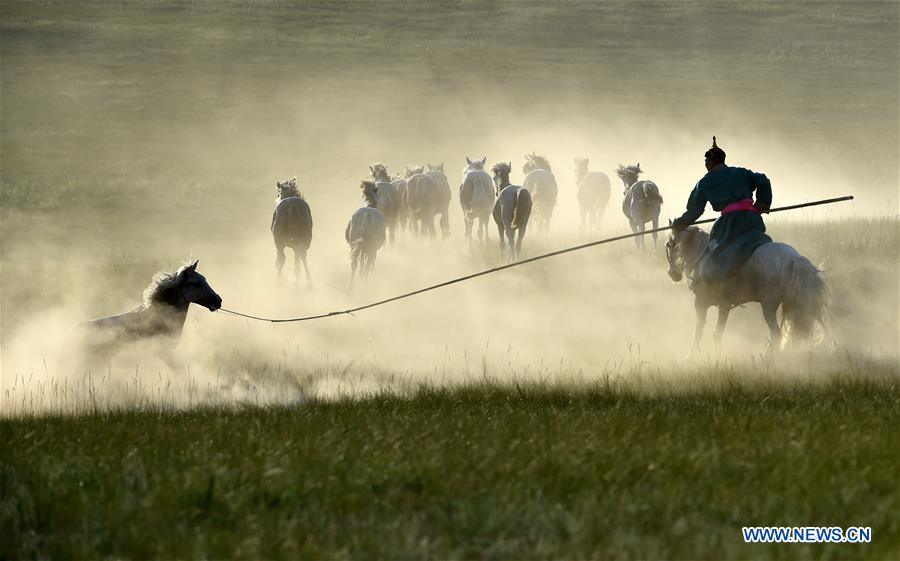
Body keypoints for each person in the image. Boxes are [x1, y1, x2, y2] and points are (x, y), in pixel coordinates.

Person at [672, 136, 772, 287]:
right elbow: (763, 180)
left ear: (710, 162)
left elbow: (694, 211)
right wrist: (762, 203)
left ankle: (719, 290)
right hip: (752, 219)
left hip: (729, 223)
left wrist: (678, 224)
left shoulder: (704, 182)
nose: (705, 164)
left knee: (714, 253)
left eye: (706, 161)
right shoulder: (742, 172)